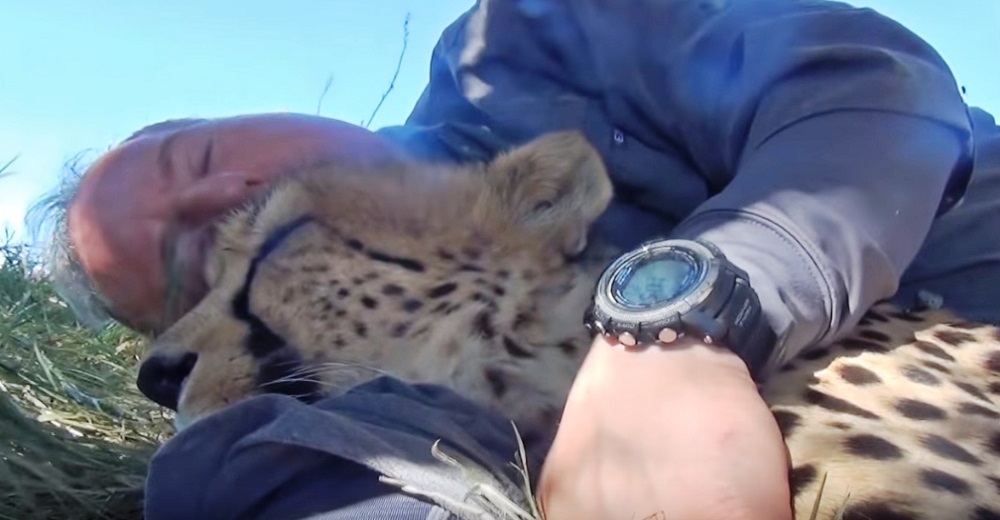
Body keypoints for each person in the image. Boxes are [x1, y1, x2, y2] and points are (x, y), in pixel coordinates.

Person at [31, 0, 1000, 519]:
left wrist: (676, 331)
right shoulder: (331, 394)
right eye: (189, 262)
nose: (220, 203)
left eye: (196, 161)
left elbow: (872, 85)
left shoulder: (521, 44)